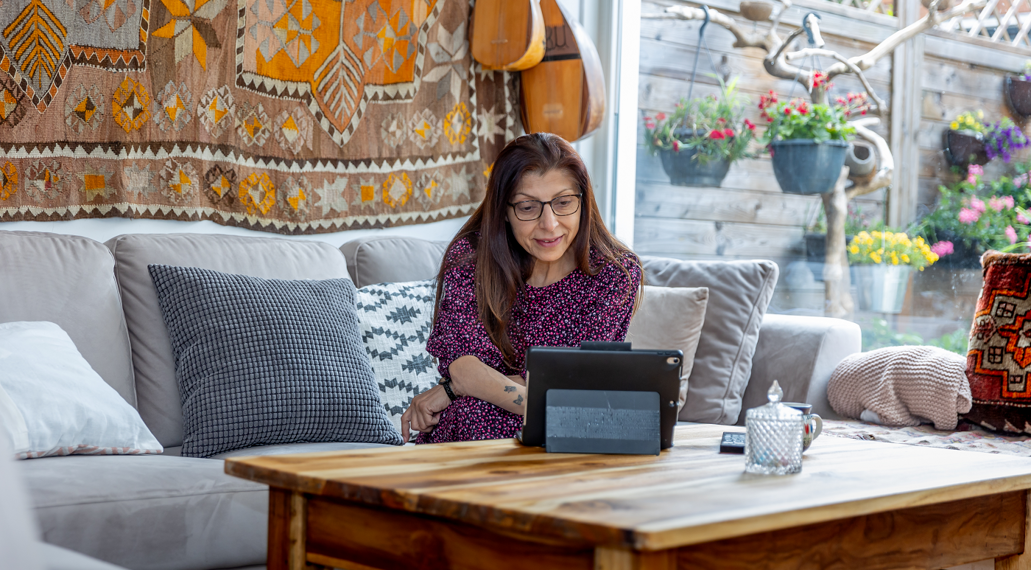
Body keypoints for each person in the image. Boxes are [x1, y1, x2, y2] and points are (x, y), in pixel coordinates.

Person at [401, 132, 643, 444]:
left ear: (583, 201)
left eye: (564, 203)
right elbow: (465, 369)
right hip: (466, 442)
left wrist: (456, 389)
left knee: (476, 406)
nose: (550, 224)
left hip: (561, 445)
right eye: (528, 208)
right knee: (474, 411)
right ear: (503, 209)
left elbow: (580, 385)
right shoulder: (470, 259)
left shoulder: (614, 273)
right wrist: (461, 384)